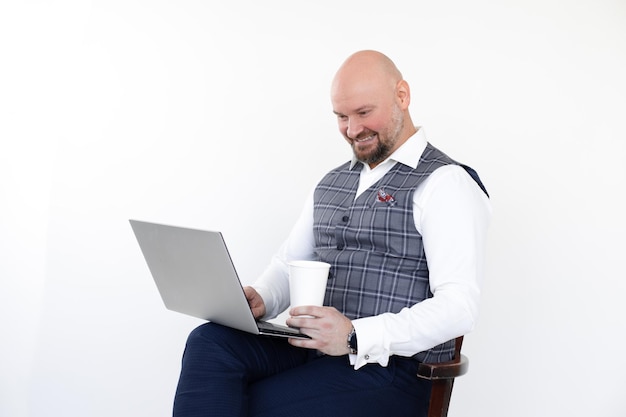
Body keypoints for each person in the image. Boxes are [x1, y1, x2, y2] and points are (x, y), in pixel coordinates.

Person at [173, 50, 492, 417]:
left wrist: (356, 336)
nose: (353, 130)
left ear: (401, 97)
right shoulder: (332, 181)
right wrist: (261, 297)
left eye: (363, 113)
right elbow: (290, 262)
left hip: (390, 370)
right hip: (314, 350)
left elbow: (459, 307)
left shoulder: (446, 183)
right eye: (342, 116)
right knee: (209, 343)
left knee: (247, 404)